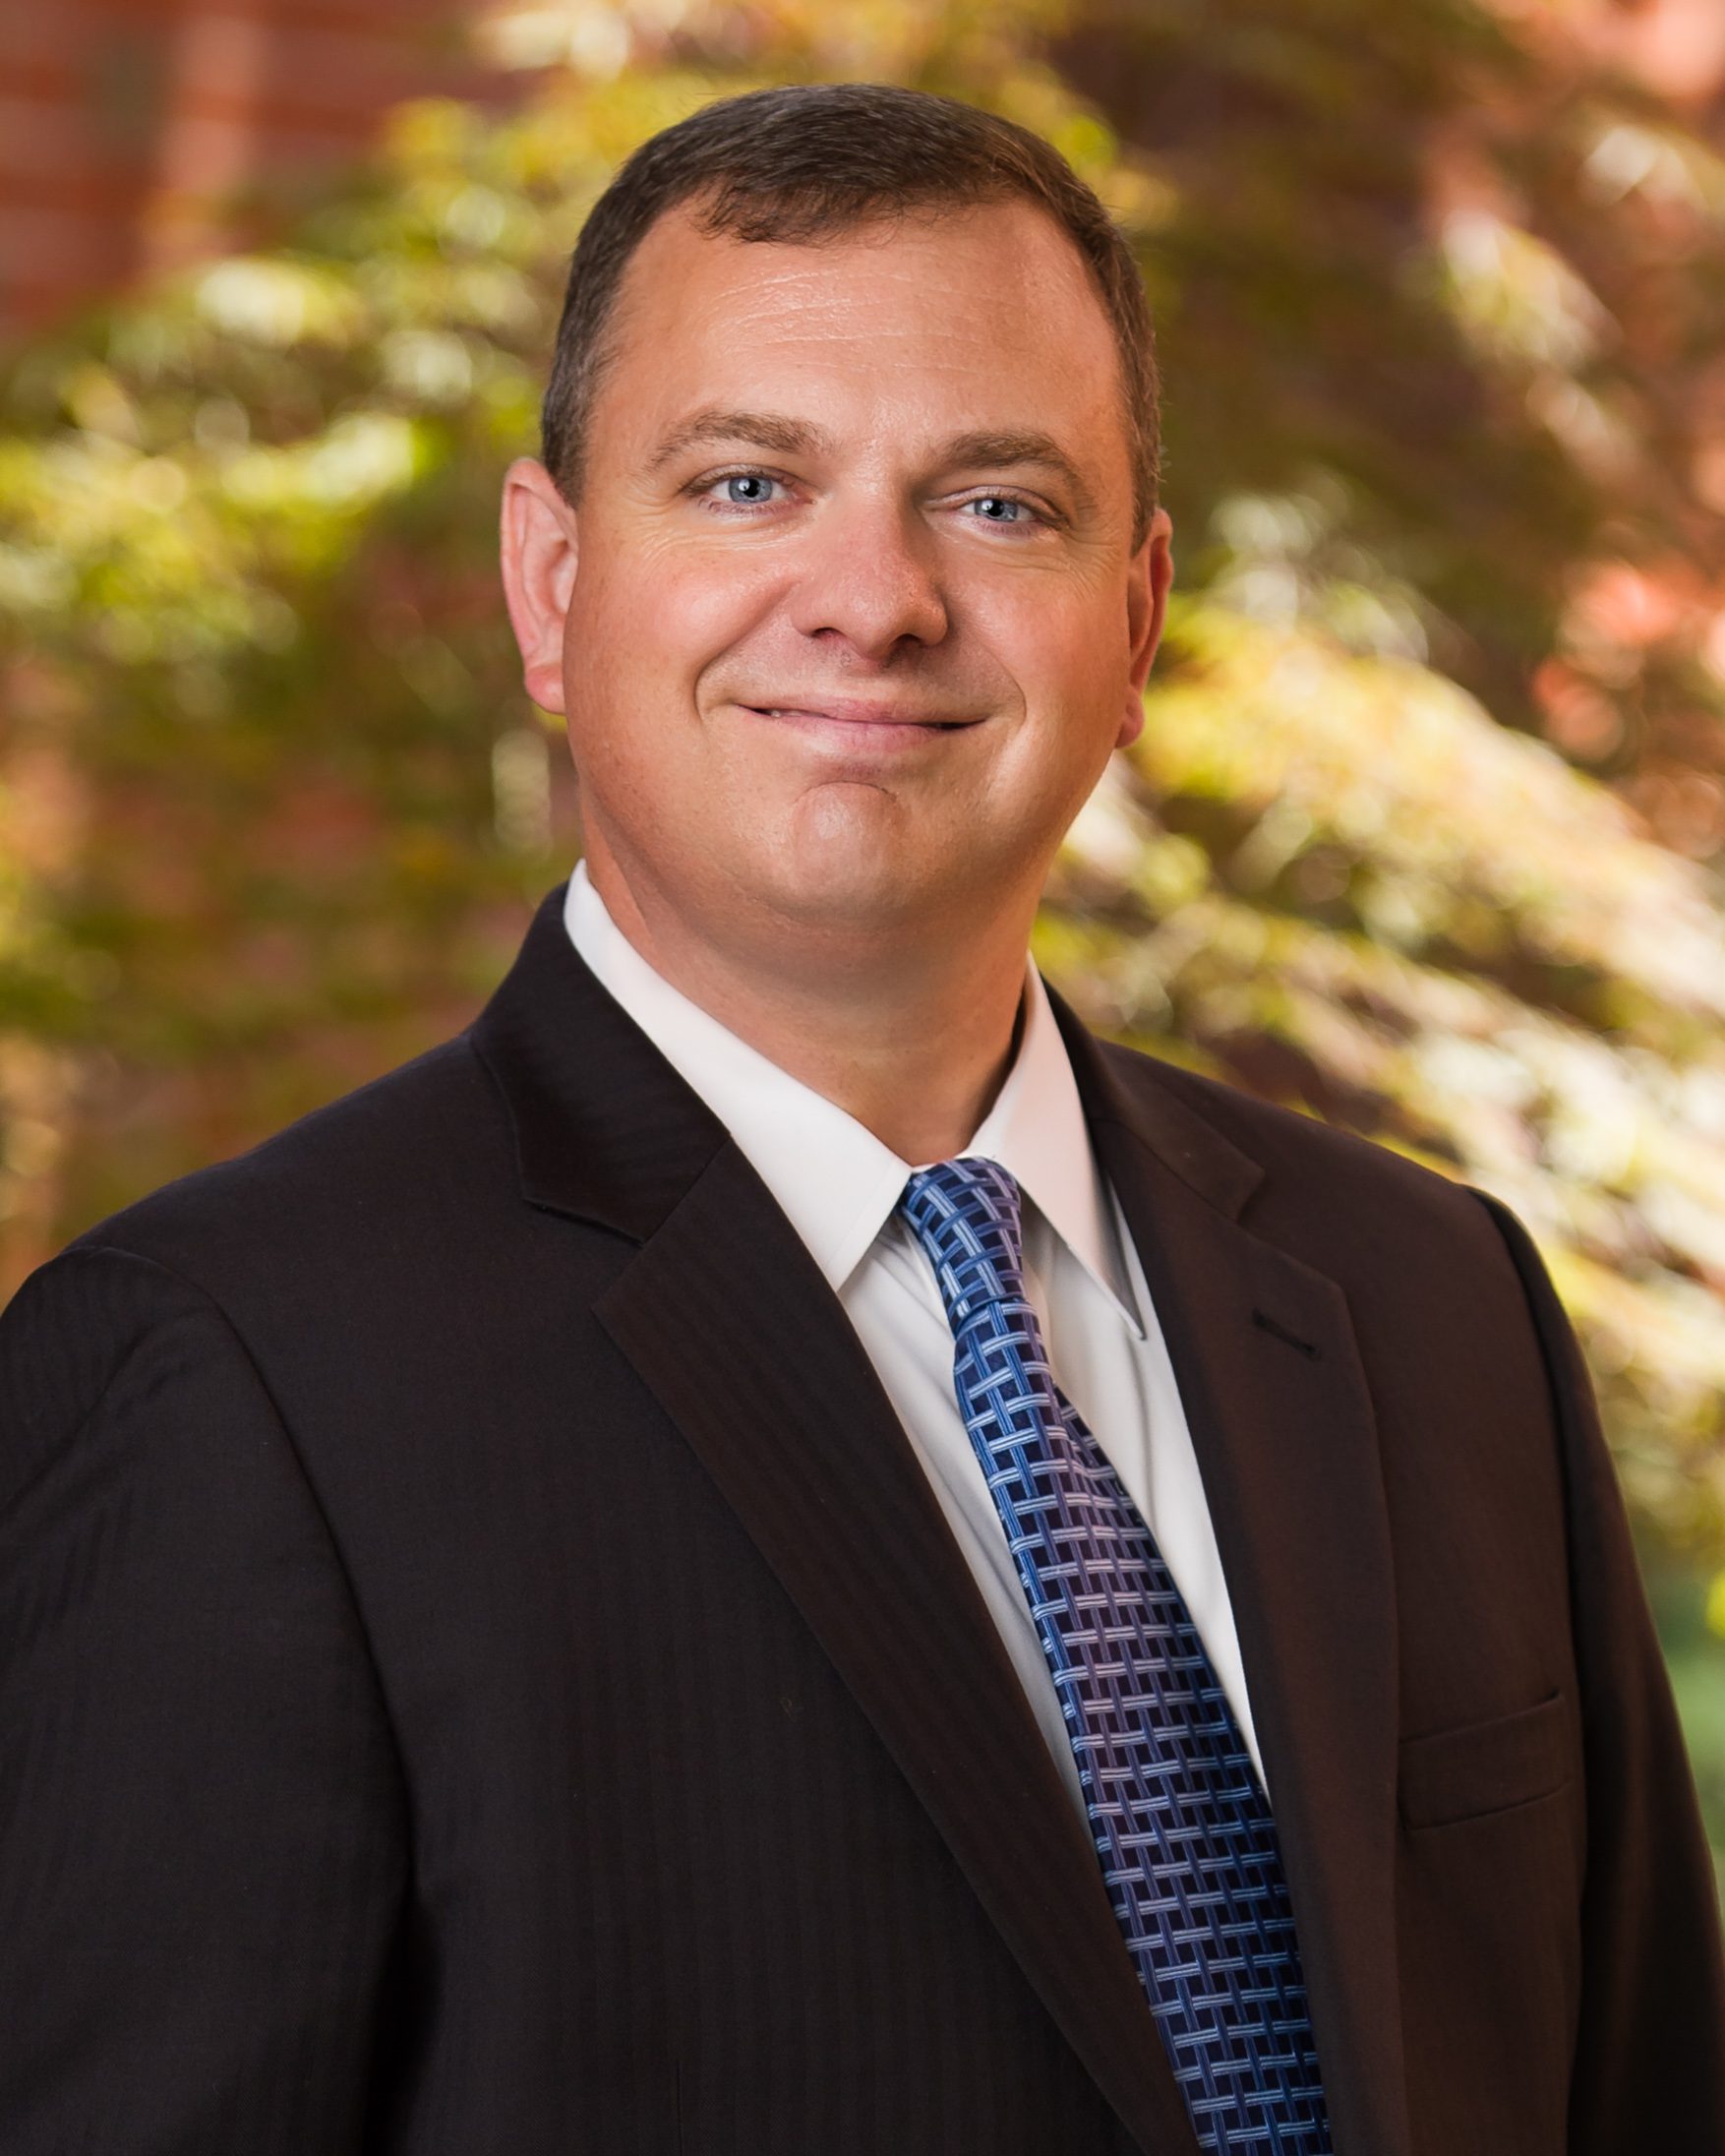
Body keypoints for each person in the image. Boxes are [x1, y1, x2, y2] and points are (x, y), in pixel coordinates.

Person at [1, 79, 1720, 2156]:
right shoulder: (227, 1376)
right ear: (549, 585)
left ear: (1135, 622)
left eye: (996, 504)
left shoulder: (1435, 1306)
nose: (874, 598)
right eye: (747, 485)